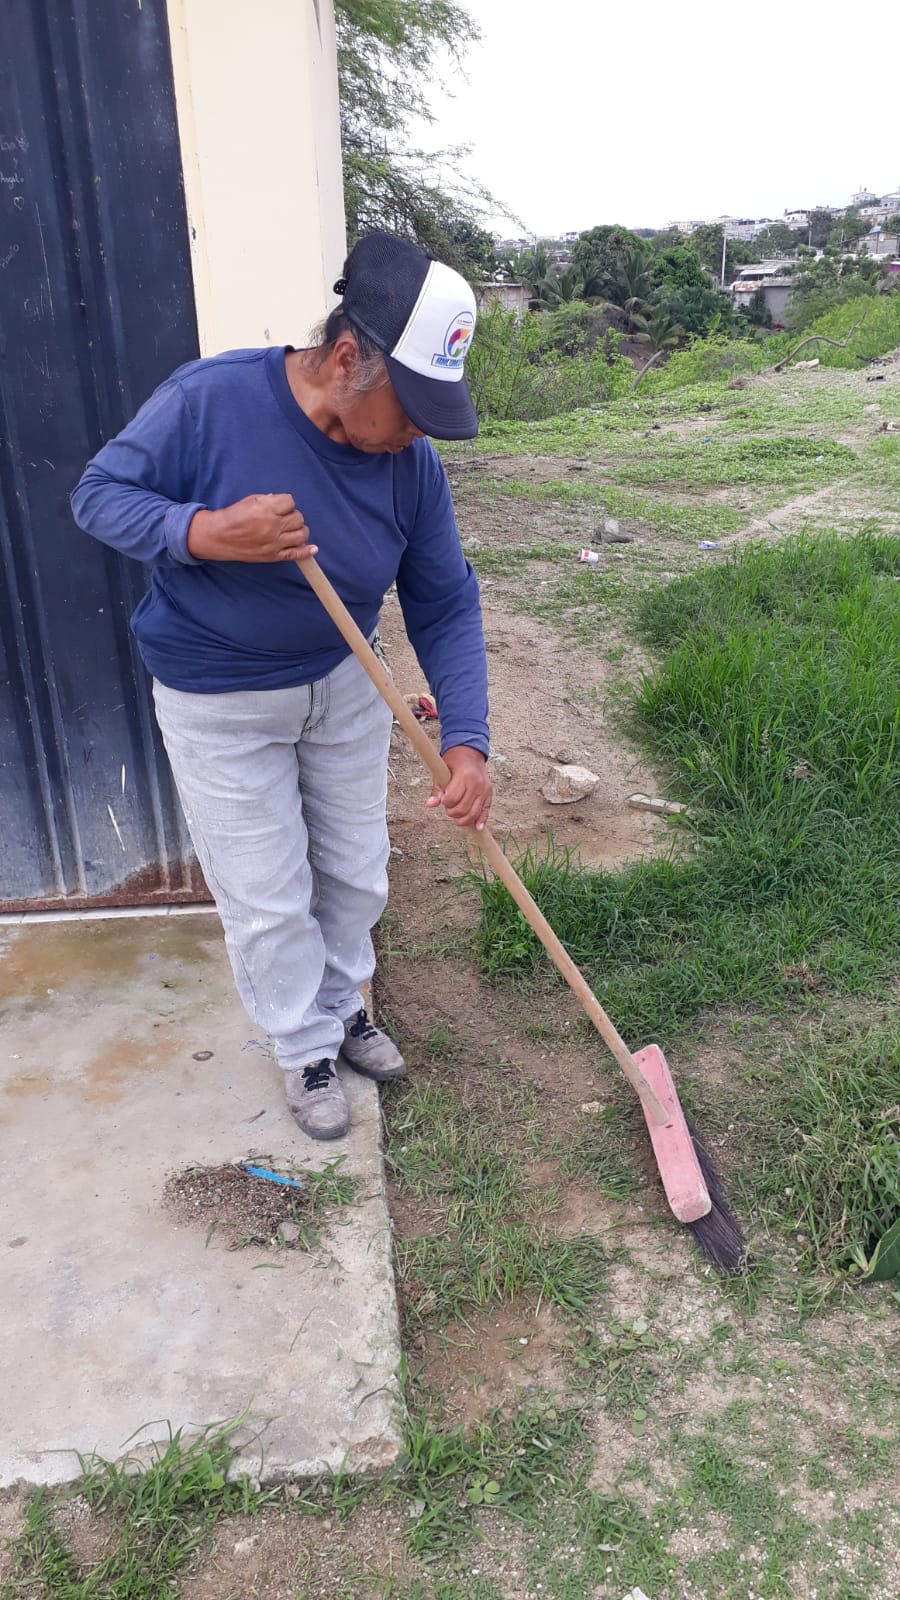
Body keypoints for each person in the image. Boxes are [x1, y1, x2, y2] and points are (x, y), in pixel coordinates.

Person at [71, 231, 492, 1140]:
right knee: (266, 893)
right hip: (218, 698)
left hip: (345, 681)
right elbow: (98, 496)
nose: (419, 433)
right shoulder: (209, 401)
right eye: (411, 408)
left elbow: (444, 600)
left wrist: (467, 740)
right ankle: (303, 1045)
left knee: (353, 872)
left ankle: (342, 1009)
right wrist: (206, 532)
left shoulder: (408, 465)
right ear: (346, 362)